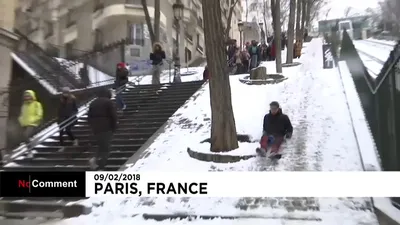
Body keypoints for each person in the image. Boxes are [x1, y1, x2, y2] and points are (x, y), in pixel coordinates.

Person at [88, 88, 117, 170]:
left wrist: (92, 126)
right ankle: (101, 166)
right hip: (106, 127)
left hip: (95, 128)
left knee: (100, 146)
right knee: (106, 148)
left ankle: (94, 158)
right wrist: (114, 127)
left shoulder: (93, 103)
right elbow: (113, 116)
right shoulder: (108, 102)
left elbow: (89, 117)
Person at [18, 90, 43, 158]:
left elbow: (39, 114)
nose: (27, 97)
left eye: (28, 96)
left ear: (32, 96)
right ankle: (30, 147)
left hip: (32, 123)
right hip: (24, 124)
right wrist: (21, 120)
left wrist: (33, 120)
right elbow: (21, 114)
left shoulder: (36, 104)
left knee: (25, 135)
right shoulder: (24, 105)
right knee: (25, 137)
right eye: (25, 96)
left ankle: (30, 151)